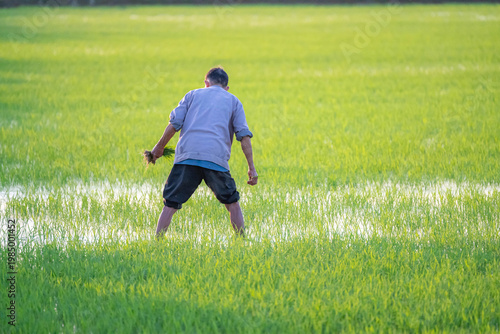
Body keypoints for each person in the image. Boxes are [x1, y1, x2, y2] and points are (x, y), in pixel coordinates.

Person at [151, 67, 258, 238]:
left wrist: (159, 147)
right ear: (227, 88)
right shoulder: (233, 101)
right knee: (232, 202)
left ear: (206, 83)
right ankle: (242, 241)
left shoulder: (192, 95)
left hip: (187, 157)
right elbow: (244, 136)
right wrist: (251, 168)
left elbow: (174, 124)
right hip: (216, 159)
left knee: (170, 203)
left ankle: (157, 240)